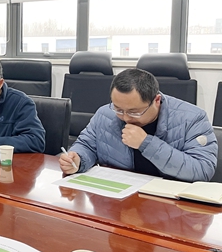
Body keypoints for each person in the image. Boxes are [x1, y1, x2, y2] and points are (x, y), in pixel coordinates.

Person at [59, 68, 217, 182]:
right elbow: (86, 145)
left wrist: (146, 143)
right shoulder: (105, 114)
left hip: (169, 204)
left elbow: (202, 170)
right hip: (119, 196)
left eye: (134, 112)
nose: (125, 117)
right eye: (118, 109)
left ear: (156, 101)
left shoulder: (193, 119)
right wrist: (78, 159)